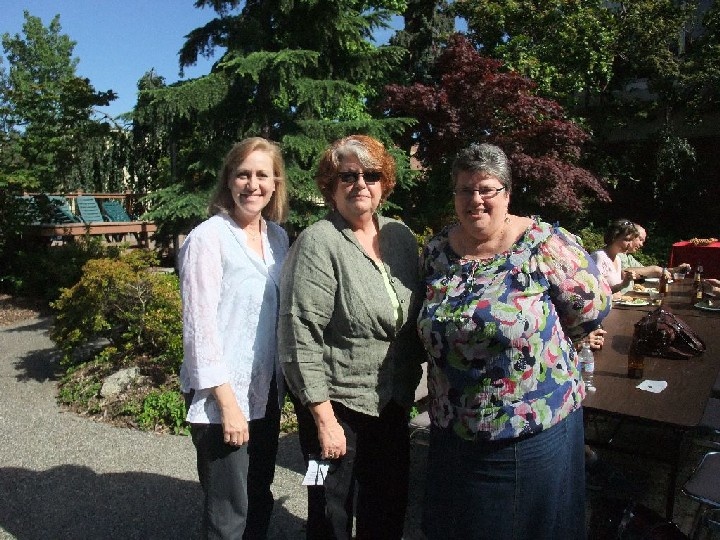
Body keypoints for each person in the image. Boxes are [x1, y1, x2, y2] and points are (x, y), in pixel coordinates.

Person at [417, 143, 611, 540]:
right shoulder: (437, 251)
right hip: (451, 427)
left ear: (507, 193)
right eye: (465, 189)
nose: (475, 199)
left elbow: (591, 309)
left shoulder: (544, 244)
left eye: (486, 189)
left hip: (527, 431)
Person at [278, 134, 423, 539]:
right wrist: (324, 420)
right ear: (330, 185)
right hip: (333, 408)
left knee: (387, 507)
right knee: (328, 509)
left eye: (371, 175)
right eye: (348, 176)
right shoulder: (318, 242)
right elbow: (299, 334)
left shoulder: (400, 237)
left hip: (390, 404)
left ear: (384, 183)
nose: (361, 184)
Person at [178, 137, 289, 539]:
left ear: (275, 183)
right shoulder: (208, 238)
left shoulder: (278, 239)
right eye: (243, 174)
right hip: (223, 396)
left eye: (262, 175)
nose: (252, 185)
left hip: (266, 391)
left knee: (258, 495)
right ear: (228, 180)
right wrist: (228, 405)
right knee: (228, 514)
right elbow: (199, 328)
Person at [619, 223, 690, 279]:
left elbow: (645, 271)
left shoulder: (629, 257)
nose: (641, 244)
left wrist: (676, 270)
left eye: (643, 241)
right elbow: (623, 273)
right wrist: (654, 269)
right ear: (630, 236)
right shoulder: (618, 254)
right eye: (640, 239)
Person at [590, 219, 639, 297]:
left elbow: (612, 290)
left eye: (631, 240)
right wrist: (622, 285)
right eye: (627, 240)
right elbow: (595, 291)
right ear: (614, 237)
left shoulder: (617, 259)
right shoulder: (599, 257)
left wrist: (624, 283)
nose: (630, 245)